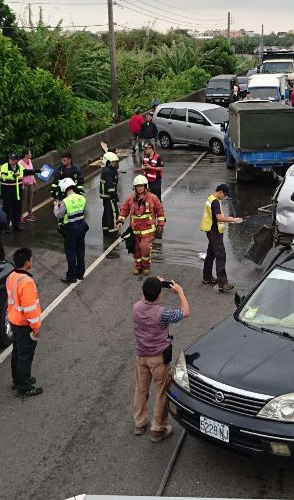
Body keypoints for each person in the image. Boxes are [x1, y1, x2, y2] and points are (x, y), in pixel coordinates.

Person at [133, 276, 189, 443]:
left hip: (141, 356)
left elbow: (145, 299)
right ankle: (158, 428)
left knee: (141, 389)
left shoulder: (136, 308)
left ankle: (139, 422)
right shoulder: (163, 314)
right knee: (162, 390)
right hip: (158, 359)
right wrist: (180, 292)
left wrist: (154, 284)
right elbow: (185, 312)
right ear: (159, 295)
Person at [5, 248, 43, 397]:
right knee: (25, 356)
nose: (32, 261)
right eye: (31, 259)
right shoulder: (26, 282)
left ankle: (18, 379)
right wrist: (36, 327)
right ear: (27, 263)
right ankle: (25, 386)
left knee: (17, 353)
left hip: (14, 321)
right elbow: (30, 308)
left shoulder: (11, 277)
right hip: (24, 324)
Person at [117, 176, 165, 276]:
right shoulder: (130, 199)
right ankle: (138, 266)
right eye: (137, 186)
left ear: (145, 186)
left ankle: (146, 266)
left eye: (141, 186)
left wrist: (160, 224)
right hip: (135, 231)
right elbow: (124, 210)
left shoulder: (152, 198)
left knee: (144, 247)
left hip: (148, 231)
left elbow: (160, 211)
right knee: (136, 250)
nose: (139, 188)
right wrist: (120, 221)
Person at [201, 184, 243, 292]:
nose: (224, 197)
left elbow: (216, 217)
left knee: (211, 254)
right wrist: (233, 220)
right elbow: (219, 218)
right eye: (224, 195)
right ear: (220, 192)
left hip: (210, 230)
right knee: (221, 255)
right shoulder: (215, 202)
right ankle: (223, 283)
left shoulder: (210, 198)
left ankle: (207, 277)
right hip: (214, 231)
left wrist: (229, 218)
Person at [53, 178, 89, 283]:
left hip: (71, 229)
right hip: (82, 227)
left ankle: (71, 276)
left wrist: (56, 206)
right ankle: (80, 274)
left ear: (64, 188)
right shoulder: (82, 198)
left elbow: (58, 214)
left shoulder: (65, 201)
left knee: (71, 253)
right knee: (80, 251)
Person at [0, 153, 36, 231]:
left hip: (17, 193)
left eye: (13, 160)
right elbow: (3, 176)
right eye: (10, 159)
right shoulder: (4, 166)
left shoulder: (19, 167)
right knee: (7, 210)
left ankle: (16, 225)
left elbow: (26, 172)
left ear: (16, 160)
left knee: (17, 210)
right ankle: (6, 227)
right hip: (8, 193)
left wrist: (38, 171)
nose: (11, 161)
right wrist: (13, 175)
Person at [99, 152, 121, 234]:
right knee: (113, 212)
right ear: (108, 162)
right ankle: (113, 230)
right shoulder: (108, 171)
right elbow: (110, 185)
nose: (115, 164)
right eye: (113, 162)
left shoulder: (106, 170)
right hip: (109, 196)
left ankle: (106, 228)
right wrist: (114, 196)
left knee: (106, 212)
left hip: (105, 196)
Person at [20, 149, 37, 222]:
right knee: (23, 201)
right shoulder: (20, 163)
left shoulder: (30, 161)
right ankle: (21, 216)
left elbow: (32, 171)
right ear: (26, 155)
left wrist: (34, 180)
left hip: (30, 183)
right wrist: (22, 184)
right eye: (30, 153)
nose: (31, 154)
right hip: (24, 184)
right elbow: (24, 173)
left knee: (30, 199)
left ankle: (30, 214)